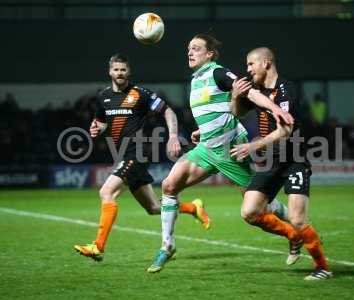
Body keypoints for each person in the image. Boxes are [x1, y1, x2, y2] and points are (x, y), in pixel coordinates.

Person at [147, 34, 294, 273]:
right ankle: (167, 246)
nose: (190, 52)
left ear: (210, 54)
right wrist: (202, 131)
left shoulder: (218, 73)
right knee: (169, 185)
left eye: (196, 49)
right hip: (207, 148)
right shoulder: (195, 80)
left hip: (230, 149)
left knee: (258, 206)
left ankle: (295, 226)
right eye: (188, 48)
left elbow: (250, 93)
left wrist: (274, 107)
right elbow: (217, 109)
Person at [74, 53, 210, 262]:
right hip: (121, 155)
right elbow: (101, 121)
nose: (119, 73)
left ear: (129, 72)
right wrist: (96, 128)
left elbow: (168, 111)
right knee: (154, 208)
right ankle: (193, 208)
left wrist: (173, 136)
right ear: (110, 71)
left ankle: (98, 246)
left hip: (136, 153)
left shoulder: (141, 94)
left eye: (123, 70)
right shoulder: (104, 96)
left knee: (106, 192)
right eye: (116, 69)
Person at [230, 47, 332, 280]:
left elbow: (286, 130)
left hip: (294, 159)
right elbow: (235, 112)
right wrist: (235, 96)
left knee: (298, 218)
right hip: (271, 161)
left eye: (250, 64)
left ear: (266, 63)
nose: (247, 69)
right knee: (250, 212)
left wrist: (253, 146)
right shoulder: (254, 89)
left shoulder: (286, 89)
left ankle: (323, 267)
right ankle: (292, 236)